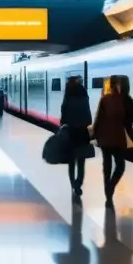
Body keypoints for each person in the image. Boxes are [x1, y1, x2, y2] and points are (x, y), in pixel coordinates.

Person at [93, 75, 128, 210]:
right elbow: (131, 118)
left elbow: (98, 118)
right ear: (118, 86)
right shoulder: (123, 101)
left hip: (105, 138)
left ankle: (108, 192)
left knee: (107, 165)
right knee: (120, 165)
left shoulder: (104, 100)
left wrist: (95, 135)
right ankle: (110, 187)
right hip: (117, 138)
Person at [60, 76, 93, 206]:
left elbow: (63, 119)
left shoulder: (67, 99)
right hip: (82, 133)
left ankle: (73, 184)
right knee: (81, 161)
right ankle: (79, 182)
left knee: (71, 162)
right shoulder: (85, 98)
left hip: (71, 133)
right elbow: (89, 119)